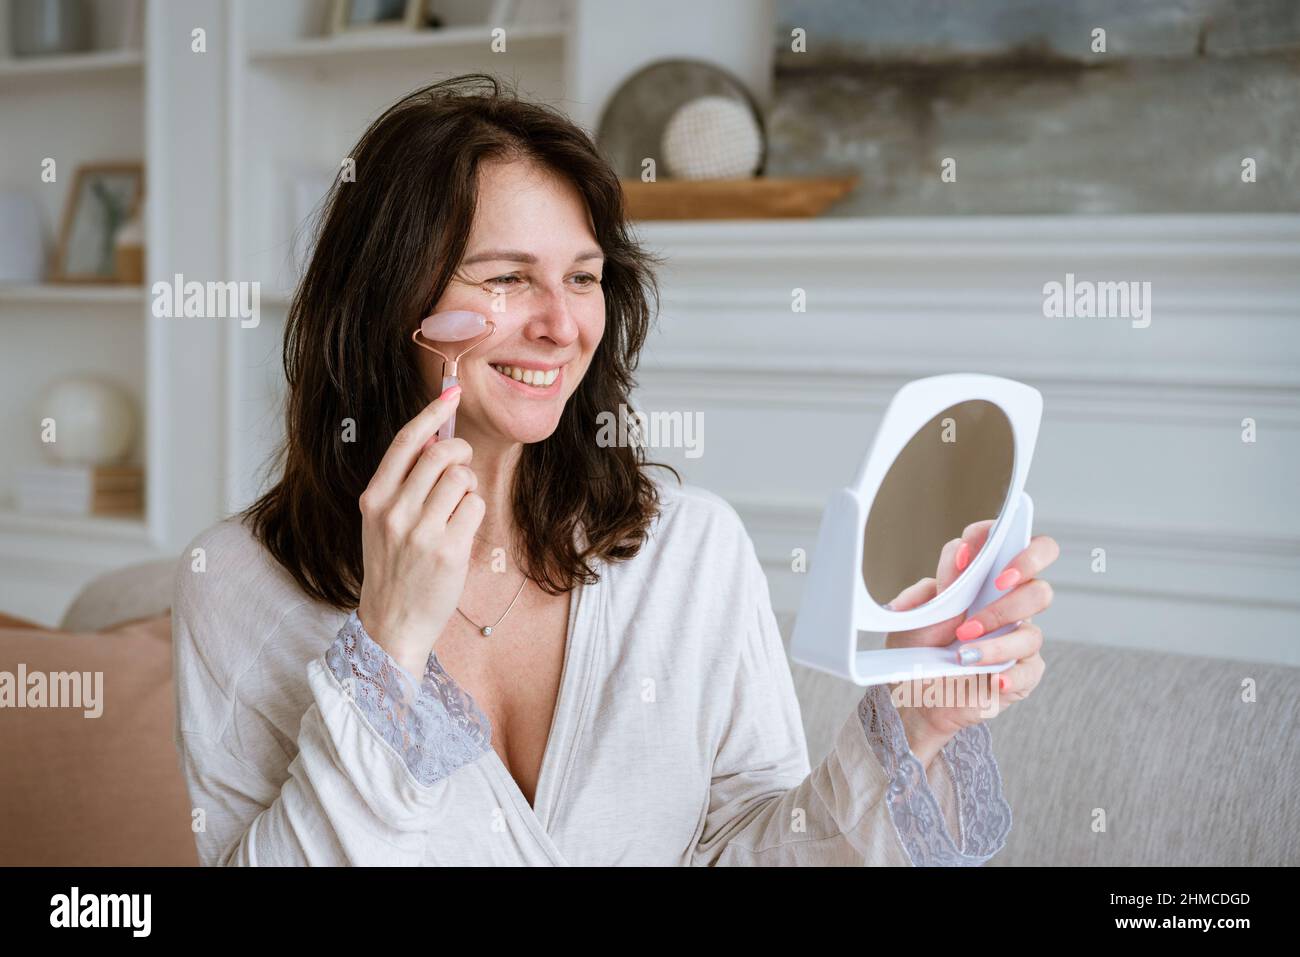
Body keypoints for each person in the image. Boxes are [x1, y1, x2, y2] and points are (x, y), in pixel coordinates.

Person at [172, 74, 1056, 866]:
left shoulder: (690, 549)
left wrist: (919, 724)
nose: (562, 325)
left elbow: (756, 852)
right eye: (509, 278)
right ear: (389, 301)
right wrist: (387, 651)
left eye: (584, 278)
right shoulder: (238, 587)